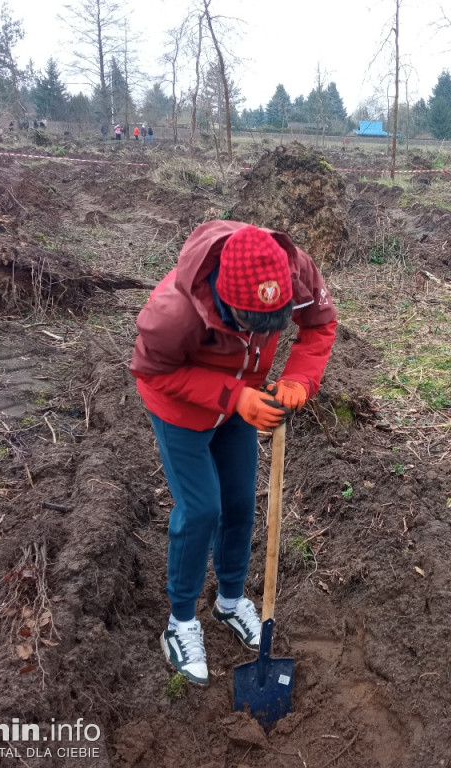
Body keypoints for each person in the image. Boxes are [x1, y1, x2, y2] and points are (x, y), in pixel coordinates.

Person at [130, 222, 337, 685]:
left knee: (241, 503)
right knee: (202, 508)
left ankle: (229, 601)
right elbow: (150, 372)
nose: (263, 333)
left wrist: (299, 379)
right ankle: (180, 622)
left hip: (239, 402)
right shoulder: (173, 312)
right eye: (249, 325)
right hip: (181, 408)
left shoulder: (294, 269)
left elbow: (320, 326)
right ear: (223, 299)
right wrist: (235, 396)